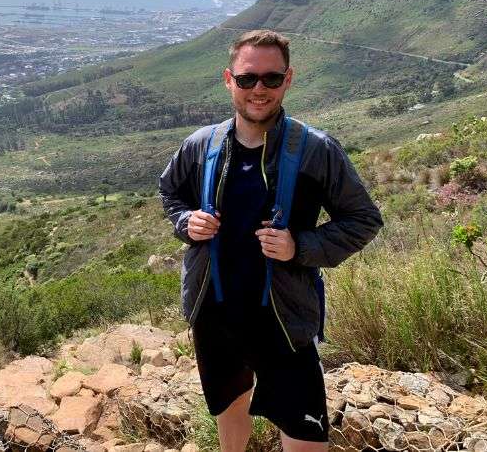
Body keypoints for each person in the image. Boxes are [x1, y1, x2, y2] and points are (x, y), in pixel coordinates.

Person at [158, 29, 383, 452]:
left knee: (304, 435)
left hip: (283, 320)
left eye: (271, 79)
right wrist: (187, 221)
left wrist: (301, 246)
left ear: (288, 79)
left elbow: (363, 218)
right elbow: (169, 192)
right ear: (229, 80)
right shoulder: (201, 145)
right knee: (229, 408)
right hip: (215, 313)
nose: (258, 89)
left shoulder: (316, 150)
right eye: (247, 79)